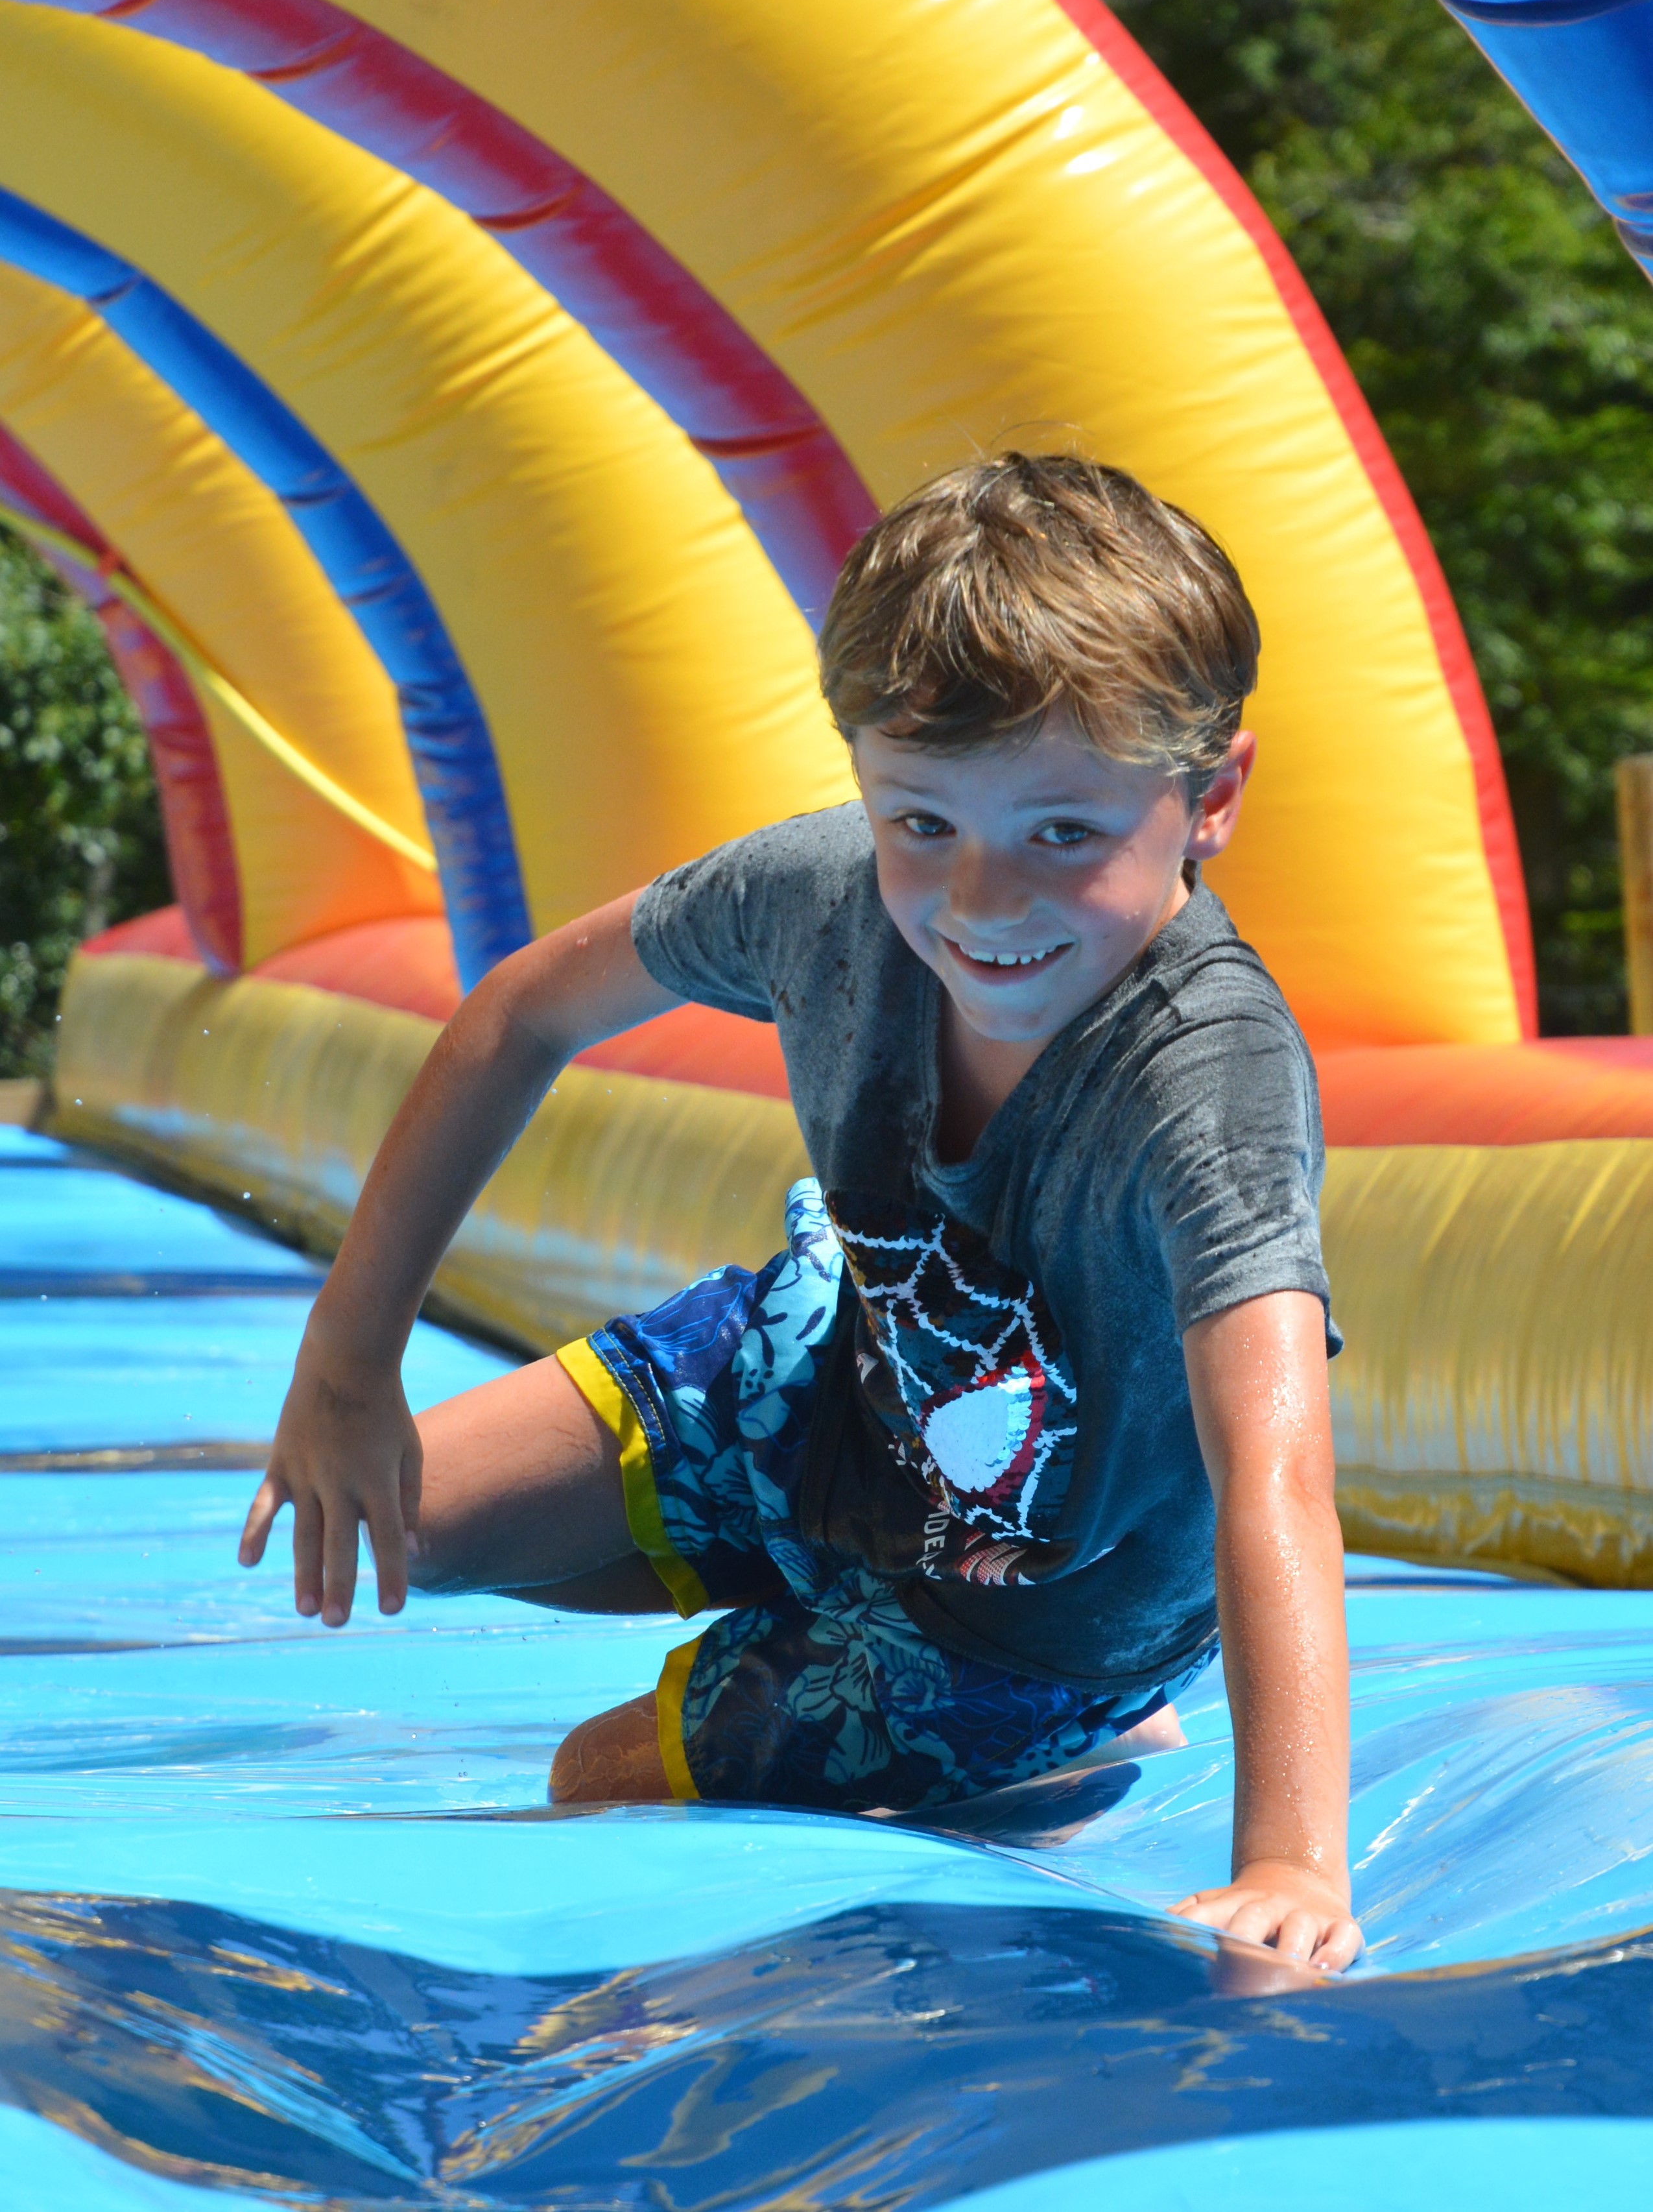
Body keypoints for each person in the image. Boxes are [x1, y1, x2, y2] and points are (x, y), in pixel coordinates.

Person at [239, 453, 1361, 1973]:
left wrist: (1288, 1856)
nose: (979, 899)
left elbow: (1278, 1466)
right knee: (394, 1510)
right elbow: (515, 1016)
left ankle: (1062, 1727)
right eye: (921, 820)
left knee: (597, 1774)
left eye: (1061, 834)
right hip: (838, 1377)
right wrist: (348, 1365)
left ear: (1207, 796)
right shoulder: (822, 896)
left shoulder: (1202, 1075)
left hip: (1038, 1605)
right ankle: (809, 1584)